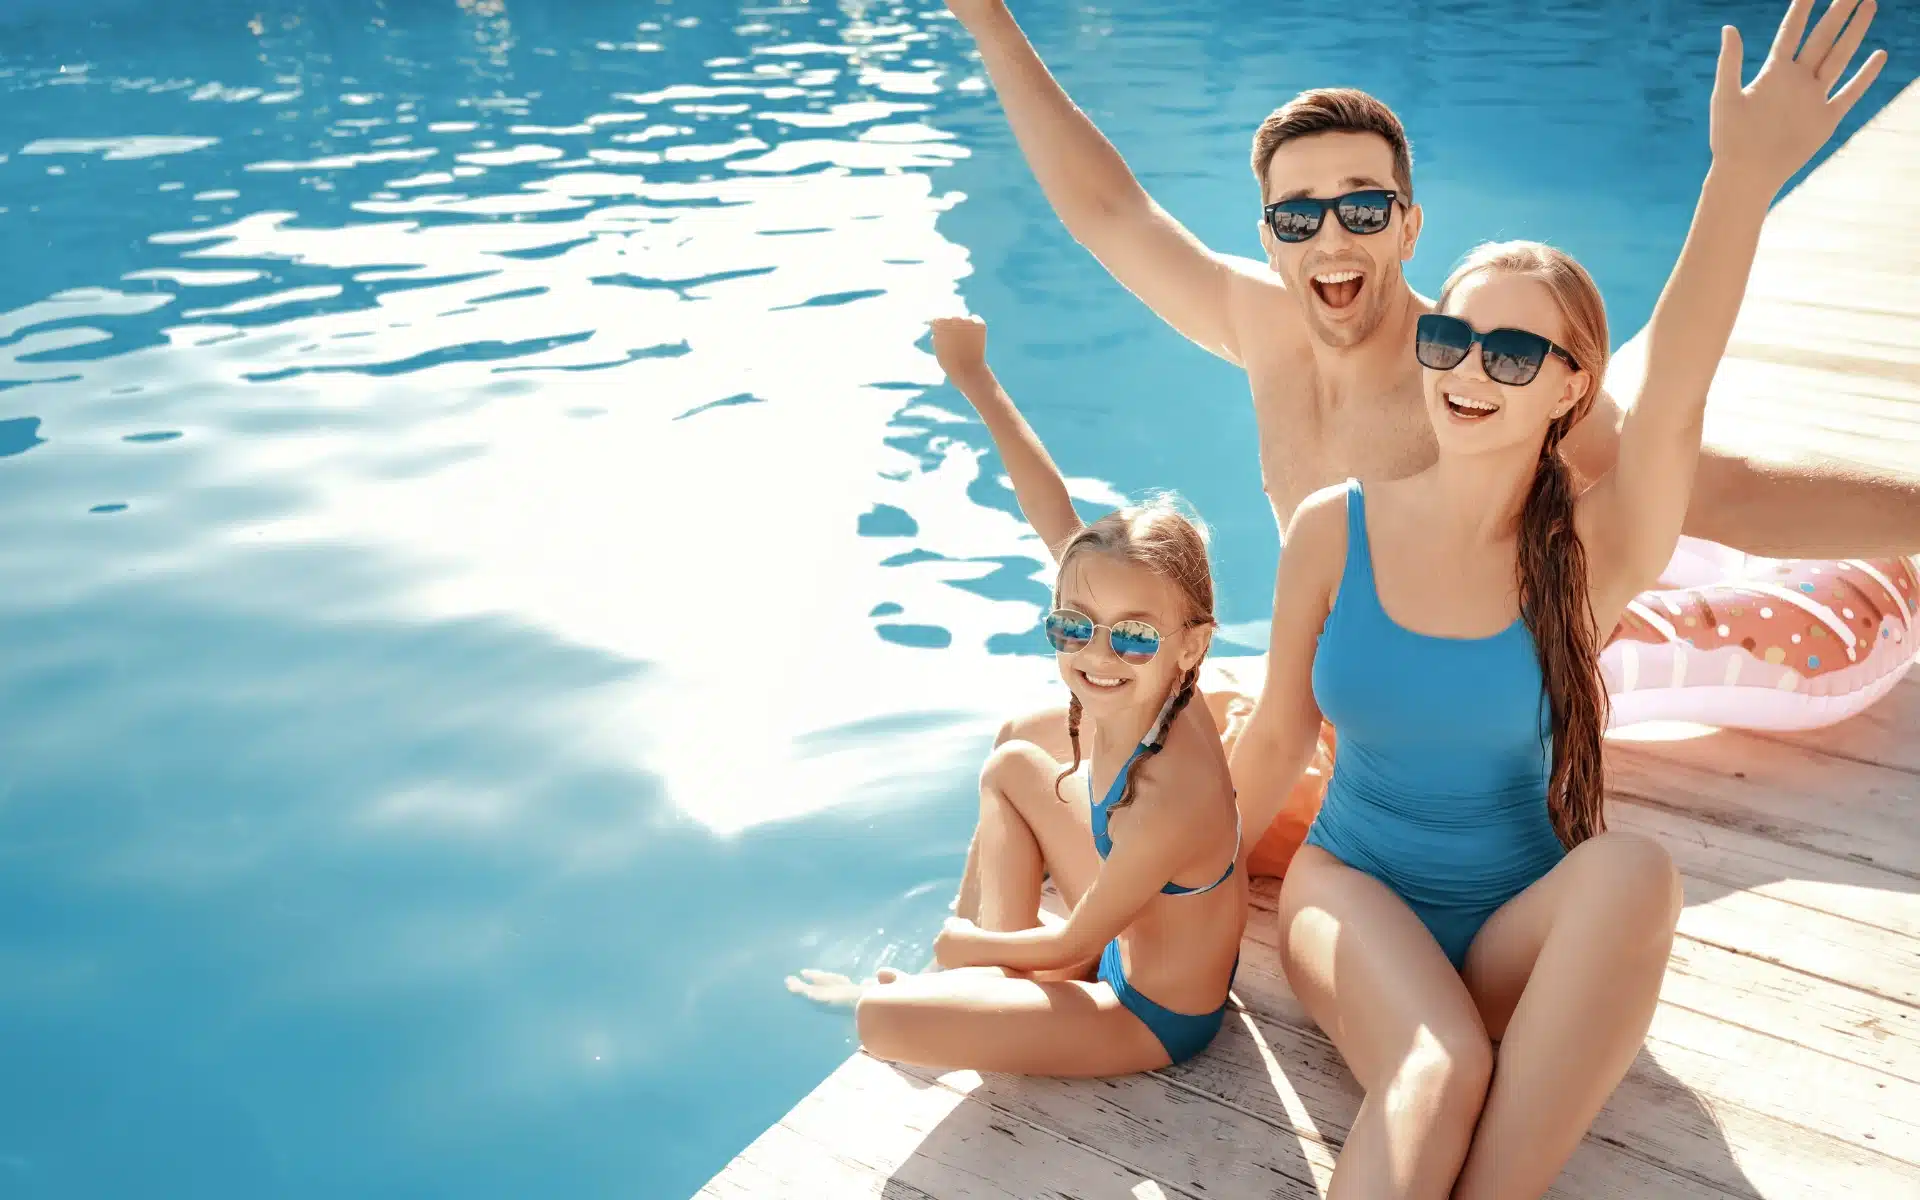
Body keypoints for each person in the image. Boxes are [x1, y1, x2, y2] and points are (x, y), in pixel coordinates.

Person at [942, 0, 1920, 888]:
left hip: (1472, 710)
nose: (1332, 239)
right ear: (1272, 235)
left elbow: (1718, 494)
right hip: (1354, 689)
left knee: (1140, 825)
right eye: (1299, 215)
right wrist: (986, 18)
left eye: (1363, 209)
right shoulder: (1265, 326)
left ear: (1409, 227)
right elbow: (1110, 212)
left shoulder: (1476, 386)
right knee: (1034, 744)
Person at [1225, 3, 1885, 1196]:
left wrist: (1740, 178)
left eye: (1516, 355)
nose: (1473, 369)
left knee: (1635, 874)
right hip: (1351, 895)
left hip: (1509, 928)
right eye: (1453, 338)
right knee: (1437, 1069)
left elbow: (1677, 391)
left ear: (1570, 391)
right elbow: (1274, 737)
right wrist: (1158, 896)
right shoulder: (1337, 528)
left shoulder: (1587, 560)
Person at [786, 314, 1247, 1076]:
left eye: (1132, 637)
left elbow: (1074, 942)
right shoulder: (1164, 685)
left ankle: (985, 981)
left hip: (1152, 1017)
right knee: (1010, 765)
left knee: (879, 1018)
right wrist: (973, 377)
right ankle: (993, 985)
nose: (1098, 656)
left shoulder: (1172, 795)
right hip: (1124, 943)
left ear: (1190, 645)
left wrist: (963, 946)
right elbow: (1051, 509)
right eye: (1075, 626)